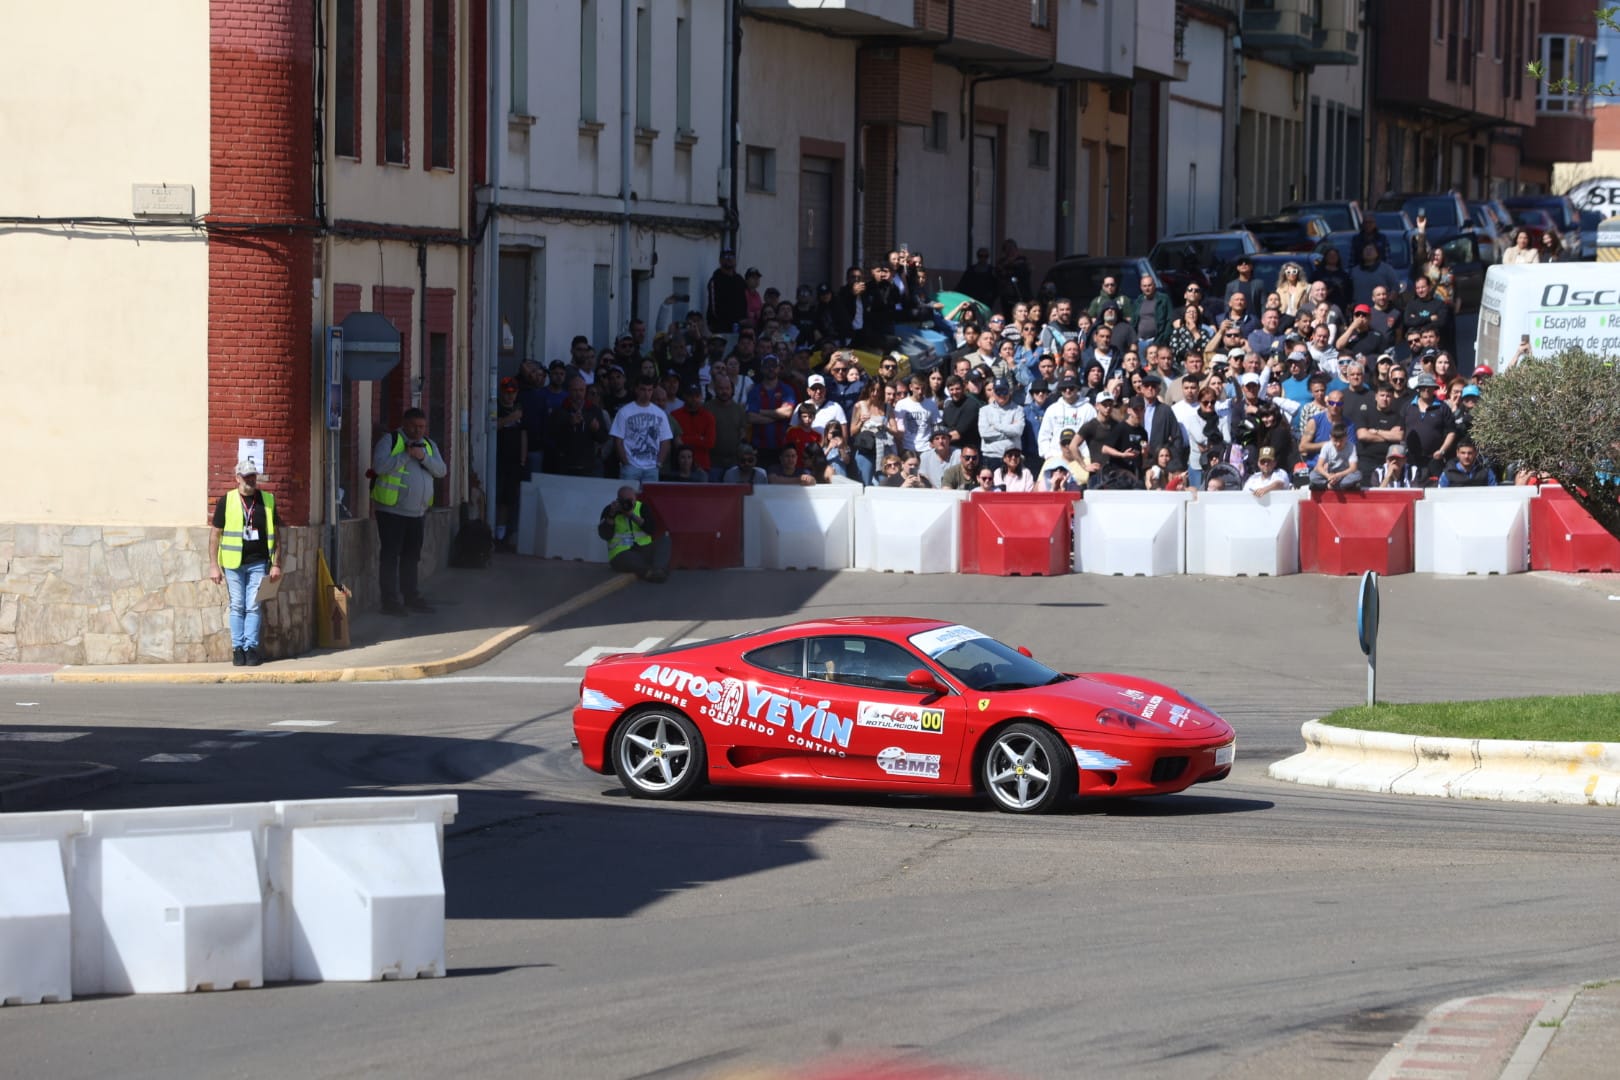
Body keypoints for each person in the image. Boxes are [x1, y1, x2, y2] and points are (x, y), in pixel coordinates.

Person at [372, 408, 447, 616]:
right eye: (414, 426)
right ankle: (389, 601)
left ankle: (411, 596)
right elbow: (379, 467)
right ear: (404, 424)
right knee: (390, 556)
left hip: (417, 513)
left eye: (422, 426)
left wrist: (422, 457)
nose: (418, 430)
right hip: (392, 511)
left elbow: (441, 471)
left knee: (411, 557)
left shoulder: (429, 445)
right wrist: (406, 455)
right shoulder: (391, 441)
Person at [210, 460, 283, 665]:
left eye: (253, 476)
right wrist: (213, 565)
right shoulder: (227, 500)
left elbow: (276, 535)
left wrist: (276, 563)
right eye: (246, 476)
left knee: (253, 606)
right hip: (233, 564)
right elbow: (215, 535)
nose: (250, 480)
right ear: (237, 478)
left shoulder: (267, 500)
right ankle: (237, 649)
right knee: (238, 606)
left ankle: (250, 648)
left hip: (258, 562)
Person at [597, 486, 671, 582]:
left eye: (631, 500)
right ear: (619, 500)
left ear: (635, 498)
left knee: (665, 539)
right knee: (627, 559)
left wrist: (632, 515)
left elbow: (651, 529)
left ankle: (658, 569)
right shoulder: (610, 510)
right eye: (625, 501)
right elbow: (605, 535)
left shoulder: (642, 508)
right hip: (622, 553)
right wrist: (611, 515)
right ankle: (649, 572)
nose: (629, 503)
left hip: (643, 549)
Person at [609, 373, 674, 485]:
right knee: (628, 498)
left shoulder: (660, 413)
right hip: (631, 466)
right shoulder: (624, 412)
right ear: (636, 390)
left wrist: (659, 463)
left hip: (652, 467)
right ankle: (635, 504)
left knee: (646, 500)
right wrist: (625, 463)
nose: (646, 393)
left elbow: (666, 441)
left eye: (649, 390)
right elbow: (618, 440)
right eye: (643, 389)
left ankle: (639, 504)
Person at [1310, 423, 1361, 490]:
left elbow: (1353, 468)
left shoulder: (1351, 447)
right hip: (1330, 474)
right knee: (1313, 475)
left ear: (1346, 438)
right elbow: (1319, 466)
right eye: (1335, 441)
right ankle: (1331, 485)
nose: (1338, 444)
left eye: (1341, 441)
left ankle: (1334, 486)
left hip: (1344, 474)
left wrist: (1338, 475)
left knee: (1357, 474)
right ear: (1330, 437)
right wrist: (1328, 476)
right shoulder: (1327, 446)